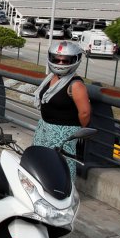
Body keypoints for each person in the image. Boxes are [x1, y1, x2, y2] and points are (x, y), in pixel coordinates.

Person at [33, 41, 92, 181]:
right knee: (40, 161)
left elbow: (85, 113)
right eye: (56, 59)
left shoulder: (76, 85)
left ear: (74, 60)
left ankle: (65, 193)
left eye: (65, 61)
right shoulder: (52, 78)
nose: (60, 63)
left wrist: (78, 132)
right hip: (44, 128)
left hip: (63, 132)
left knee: (61, 164)